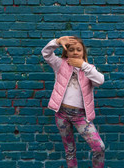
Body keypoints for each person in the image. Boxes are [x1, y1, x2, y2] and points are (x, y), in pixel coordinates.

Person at [41, 36, 105, 168]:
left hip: (80, 116)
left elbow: (100, 80)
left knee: (99, 147)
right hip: (61, 114)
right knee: (69, 151)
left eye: (78, 50)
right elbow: (46, 54)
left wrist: (83, 65)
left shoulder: (88, 69)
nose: (75, 52)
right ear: (66, 53)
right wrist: (57, 42)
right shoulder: (60, 64)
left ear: (83, 52)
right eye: (71, 49)